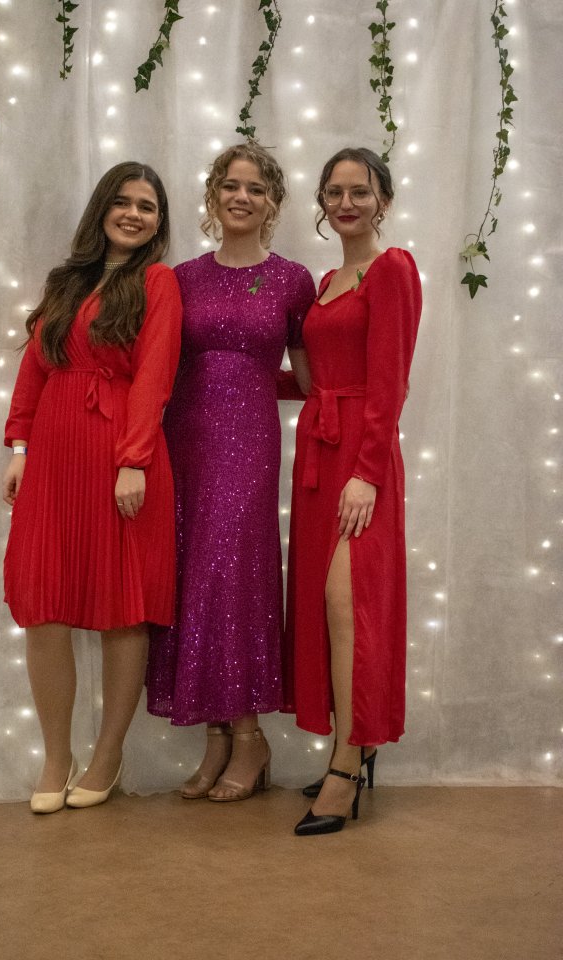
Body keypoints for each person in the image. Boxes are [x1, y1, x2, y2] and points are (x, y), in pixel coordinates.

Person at [2, 162, 182, 813]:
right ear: (102, 209)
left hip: (121, 456)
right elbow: (34, 368)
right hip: (54, 457)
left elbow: (155, 371)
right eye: (124, 202)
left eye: (148, 206)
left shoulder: (157, 282)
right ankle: (57, 756)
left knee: (122, 607)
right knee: (43, 604)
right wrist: (19, 446)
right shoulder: (67, 282)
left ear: (159, 223)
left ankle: (108, 754)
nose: (134, 214)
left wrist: (133, 460)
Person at [147, 143, 315, 801]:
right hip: (183, 441)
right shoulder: (181, 278)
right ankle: (217, 736)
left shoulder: (292, 280)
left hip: (249, 445)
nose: (242, 197)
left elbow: (310, 377)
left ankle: (250, 736)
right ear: (214, 195)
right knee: (193, 574)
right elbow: (164, 365)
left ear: (273, 203)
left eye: (256, 189)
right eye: (231, 186)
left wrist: (256, 381)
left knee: (235, 575)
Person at [283, 147, 422, 835]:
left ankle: (347, 764)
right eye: (334, 192)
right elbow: (318, 378)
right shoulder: (327, 280)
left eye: (359, 192)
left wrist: (368, 472)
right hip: (319, 448)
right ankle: (351, 747)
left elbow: (390, 379)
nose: (345, 203)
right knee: (326, 607)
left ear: (382, 201)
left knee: (349, 604)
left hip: (363, 456)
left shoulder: (392, 269)